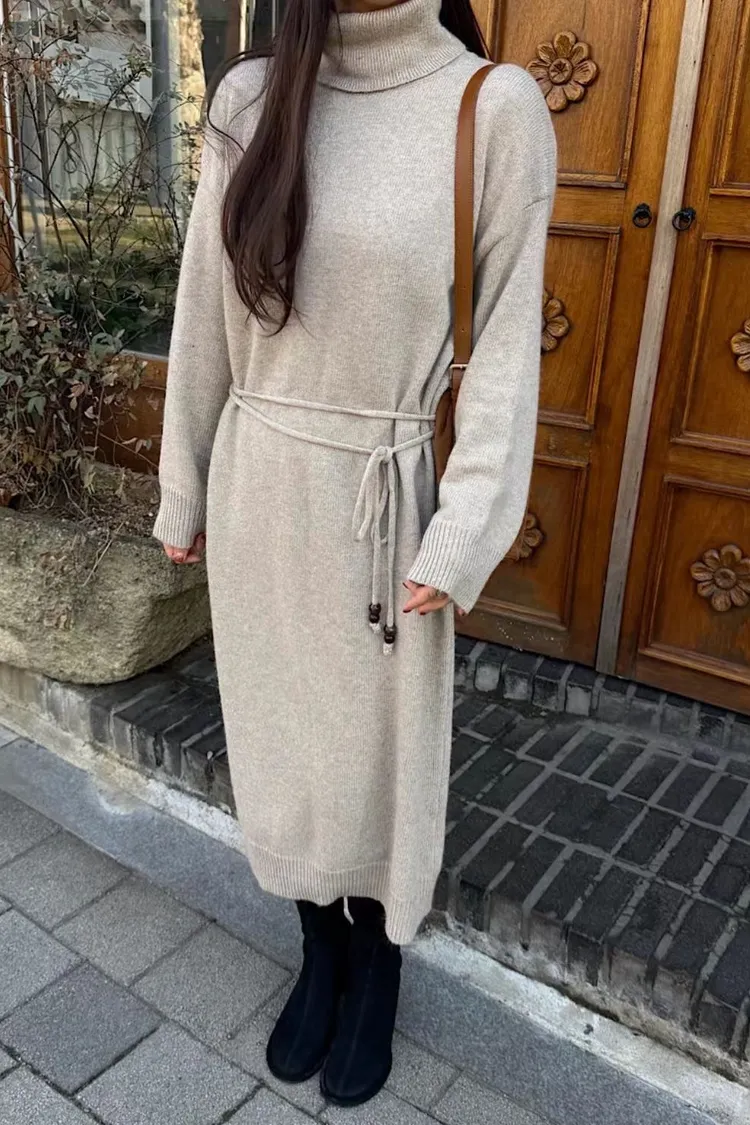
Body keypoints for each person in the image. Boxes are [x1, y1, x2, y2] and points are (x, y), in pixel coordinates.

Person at [153, 0, 556, 1107]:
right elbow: (202, 306)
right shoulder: (251, 97)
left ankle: (376, 966)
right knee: (282, 745)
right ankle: (317, 948)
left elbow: (507, 349)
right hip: (260, 487)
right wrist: (184, 477)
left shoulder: (492, 108)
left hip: (386, 510)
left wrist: (464, 528)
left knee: (380, 765)